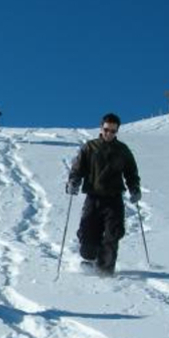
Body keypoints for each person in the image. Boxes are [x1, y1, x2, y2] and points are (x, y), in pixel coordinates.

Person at [66, 113, 141, 276]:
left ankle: (105, 272)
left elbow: (131, 172)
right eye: (107, 130)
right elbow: (77, 169)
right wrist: (73, 182)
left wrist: (134, 188)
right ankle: (88, 261)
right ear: (101, 128)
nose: (109, 134)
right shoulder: (89, 147)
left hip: (114, 199)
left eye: (113, 131)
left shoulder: (122, 150)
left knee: (113, 234)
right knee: (88, 234)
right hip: (93, 197)